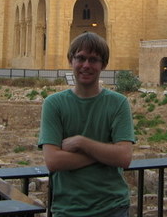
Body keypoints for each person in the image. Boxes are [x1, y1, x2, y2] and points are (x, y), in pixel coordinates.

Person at [38, 32, 135, 217]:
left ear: (103, 64)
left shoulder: (119, 103)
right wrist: (104, 155)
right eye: (81, 58)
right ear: (70, 60)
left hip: (113, 208)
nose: (86, 65)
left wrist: (82, 143)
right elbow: (53, 161)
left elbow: (124, 157)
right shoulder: (53, 104)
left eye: (93, 60)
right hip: (67, 209)